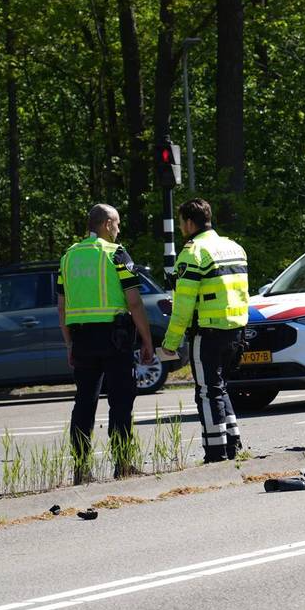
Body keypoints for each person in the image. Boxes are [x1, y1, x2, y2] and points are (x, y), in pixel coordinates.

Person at [57, 204, 155, 483]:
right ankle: (122, 464)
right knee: (121, 401)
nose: (119, 229)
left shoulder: (68, 256)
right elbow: (134, 302)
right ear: (107, 223)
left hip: (82, 340)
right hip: (116, 339)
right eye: (118, 223)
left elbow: (61, 308)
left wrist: (68, 345)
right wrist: (146, 340)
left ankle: (80, 469)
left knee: (84, 403)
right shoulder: (117, 254)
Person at [158, 199, 249, 463]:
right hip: (236, 330)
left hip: (207, 332)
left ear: (188, 222)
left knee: (207, 392)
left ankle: (215, 452)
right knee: (219, 388)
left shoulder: (193, 253)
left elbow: (183, 306)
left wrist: (171, 342)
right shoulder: (234, 248)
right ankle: (233, 443)